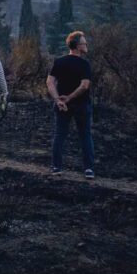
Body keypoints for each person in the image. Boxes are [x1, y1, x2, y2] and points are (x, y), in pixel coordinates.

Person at [47, 31, 94, 178]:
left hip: (62, 105)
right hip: (81, 104)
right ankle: (88, 169)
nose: (86, 45)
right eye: (84, 43)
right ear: (78, 46)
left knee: (60, 135)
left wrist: (58, 100)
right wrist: (70, 98)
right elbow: (85, 85)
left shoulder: (59, 61)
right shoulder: (85, 64)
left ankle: (56, 167)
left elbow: (50, 82)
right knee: (85, 135)